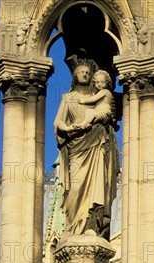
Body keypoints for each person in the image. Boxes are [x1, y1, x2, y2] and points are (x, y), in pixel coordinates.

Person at [54, 61, 119, 239]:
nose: (84, 74)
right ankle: (73, 227)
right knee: (75, 189)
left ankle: (92, 225)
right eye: (81, 72)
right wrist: (68, 129)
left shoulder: (98, 96)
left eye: (87, 72)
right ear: (75, 76)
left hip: (97, 144)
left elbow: (108, 116)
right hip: (77, 146)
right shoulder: (68, 98)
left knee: (97, 187)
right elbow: (58, 122)